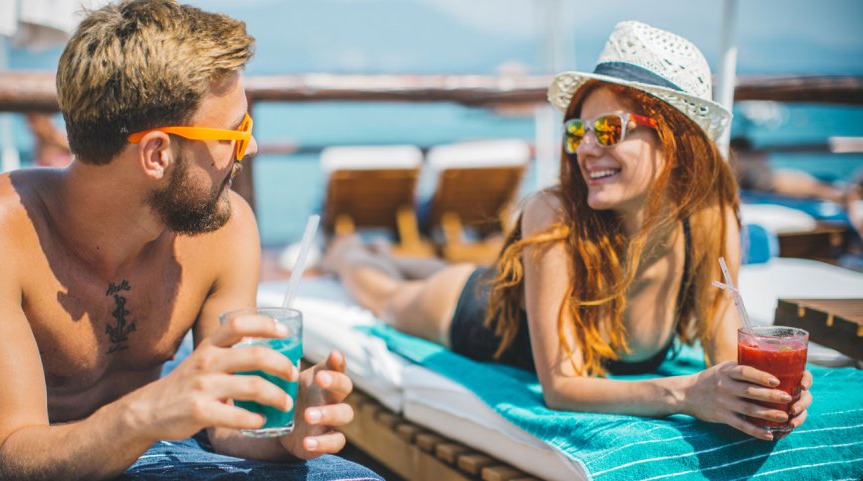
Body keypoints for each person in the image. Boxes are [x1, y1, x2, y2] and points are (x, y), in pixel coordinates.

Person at [0, 1, 378, 480]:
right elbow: (10, 456)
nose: (249, 147)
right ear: (156, 154)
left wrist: (282, 432)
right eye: (234, 134)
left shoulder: (225, 228)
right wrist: (148, 412)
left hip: (110, 409)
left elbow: (229, 424)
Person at [323, 21, 813, 441]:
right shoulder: (553, 213)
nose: (585, 149)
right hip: (477, 313)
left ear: (676, 139)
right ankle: (349, 252)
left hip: (517, 281)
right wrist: (685, 393)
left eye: (609, 130)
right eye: (579, 131)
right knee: (382, 292)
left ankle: (400, 255)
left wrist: (759, 393)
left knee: (465, 267)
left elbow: (726, 359)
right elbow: (561, 386)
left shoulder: (712, 218)